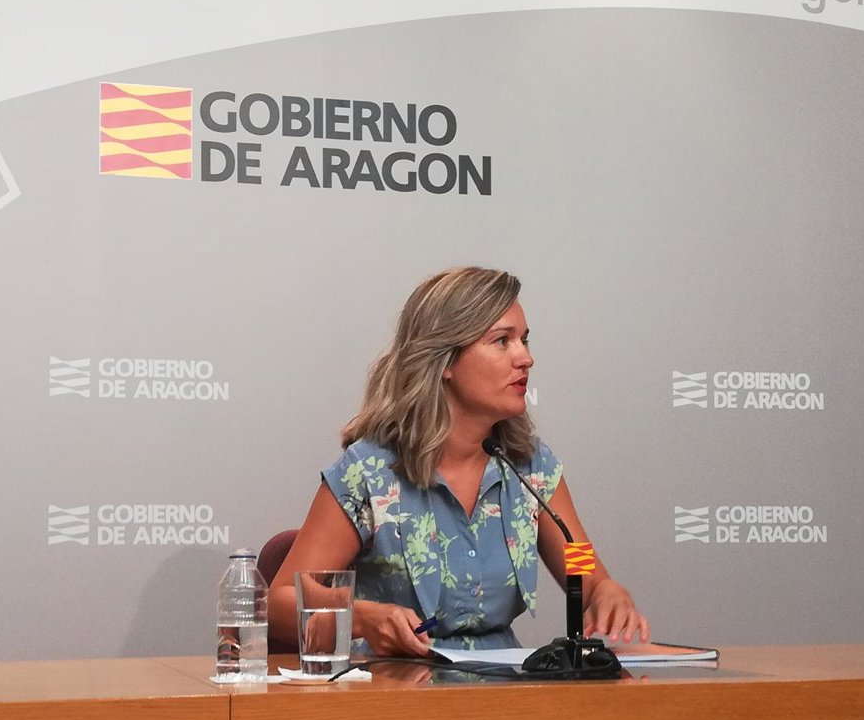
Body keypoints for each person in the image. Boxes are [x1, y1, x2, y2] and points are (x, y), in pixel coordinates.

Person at [268, 266, 648, 655]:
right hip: (395, 680)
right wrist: (362, 617)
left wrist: (604, 590)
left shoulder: (531, 466)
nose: (526, 358)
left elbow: (581, 565)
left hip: (505, 683)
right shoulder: (369, 472)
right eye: (502, 341)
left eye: (524, 340)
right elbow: (279, 601)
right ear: (446, 361)